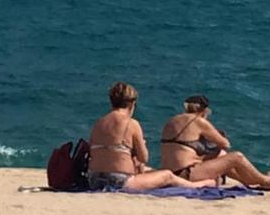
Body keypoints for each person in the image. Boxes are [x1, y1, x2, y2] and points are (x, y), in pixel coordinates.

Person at [87, 82, 216, 191]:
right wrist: (142, 145)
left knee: (149, 170)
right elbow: (144, 157)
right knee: (167, 175)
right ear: (132, 104)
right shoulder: (131, 123)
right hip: (119, 181)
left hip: (94, 179)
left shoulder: (99, 123)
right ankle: (197, 185)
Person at [160, 95, 270, 189]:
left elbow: (183, 149)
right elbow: (225, 143)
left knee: (221, 156)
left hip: (171, 171)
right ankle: (264, 180)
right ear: (204, 111)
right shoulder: (198, 121)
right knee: (237, 157)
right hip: (186, 173)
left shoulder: (172, 121)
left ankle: (247, 181)